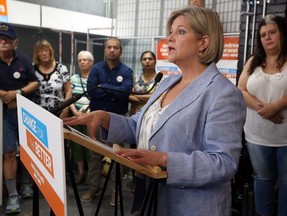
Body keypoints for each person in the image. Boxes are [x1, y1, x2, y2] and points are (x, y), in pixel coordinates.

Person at [64, 6, 246, 215]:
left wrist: (163, 160)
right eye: (170, 32)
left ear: (203, 43)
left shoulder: (223, 94)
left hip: (191, 206)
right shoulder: (168, 82)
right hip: (151, 196)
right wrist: (105, 118)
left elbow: (223, 163)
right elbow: (139, 126)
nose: (169, 38)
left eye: (180, 31)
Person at [237, 14, 287, 216]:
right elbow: (240, 89)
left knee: (286, 182)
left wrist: (275, 106)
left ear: (282, 34)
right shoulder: (253, 61)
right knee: (262, 179)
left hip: (286, 138)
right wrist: (265, 110)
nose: (267, 38)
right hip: (257, 136)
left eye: (272, 32)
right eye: (263, 34)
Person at [80, 37, 133, 204]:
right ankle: (92, 188)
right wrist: (113, 92)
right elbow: (91, 91)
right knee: (94, 156)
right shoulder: (96, 69)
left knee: (117, 157)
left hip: (118, 121)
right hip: (96, 119)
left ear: (120, 51)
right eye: (109, 47)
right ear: (105, 49)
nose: (112, 50)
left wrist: (103, 88)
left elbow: (125, 93)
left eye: (115, 47)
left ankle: (115, 192)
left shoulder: (126, 71)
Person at [0, 22, 39, 215]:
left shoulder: (23, 60)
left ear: (15, 41)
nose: (2, 41)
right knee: (8, 153)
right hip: (4, 115)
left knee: (27, 151)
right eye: (0, 38)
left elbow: (34, 82)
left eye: (6, 38)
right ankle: (13, 195)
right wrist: (5, 95)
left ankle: (26, 184)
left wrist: (17, 93)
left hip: (25, 113)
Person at [69, 50, 94, 184]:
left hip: (91, 115)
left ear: (91, 62)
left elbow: (96, 97)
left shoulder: (95, 78)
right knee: (77, 145)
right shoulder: (73, 78)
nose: (82, 62)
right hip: (76, 115)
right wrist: (75, 112)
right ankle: (80, 172)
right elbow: (70, 97)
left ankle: (91, 174)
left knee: (90, 144)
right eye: (80, 60)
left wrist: (89, 112)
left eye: (85, 60)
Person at [32, 39, 72, 119]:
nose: (44, 53)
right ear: (37, 54)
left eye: (46, 50)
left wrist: (66, 109)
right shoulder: (32, 69)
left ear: (50, 51)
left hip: (58, 112)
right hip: (37, 113)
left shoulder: (61, 68)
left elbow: (69, 91)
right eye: (40, 51)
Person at [129, 51, 159, 115]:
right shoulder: (135, 78)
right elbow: (129, 97)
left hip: (153, 115)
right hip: (135, 114)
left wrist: (136, 96)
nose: (147, 61)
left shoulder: (160, 79)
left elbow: (158, 97)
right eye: (144, 59)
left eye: (150, 59)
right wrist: (149, 97)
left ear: (155, 62)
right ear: (141, 62)